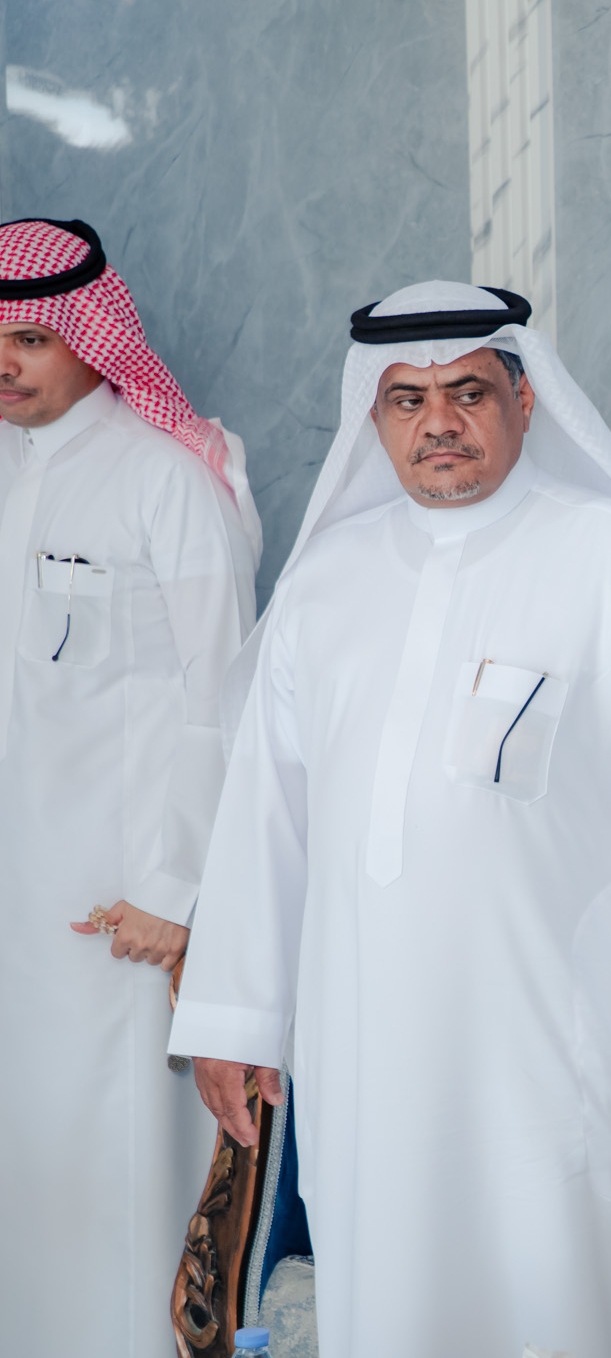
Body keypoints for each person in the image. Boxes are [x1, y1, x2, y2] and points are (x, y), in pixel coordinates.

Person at [169, 281, 611, 1358]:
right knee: (396, 1297)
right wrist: (235, 1017)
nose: (439, 422)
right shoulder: (325, 582)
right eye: (408, 399)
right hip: (369, 1043)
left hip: (564, 1039)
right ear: (374, 416)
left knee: (564, 1294)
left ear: (525, 402)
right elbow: (266, 811)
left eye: (469, 392)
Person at [0, 217, 260, 1357]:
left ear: (92, 339)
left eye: (30, 338)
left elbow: (221, 694)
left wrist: (175, 888)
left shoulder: (168, 480)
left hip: (119, 914)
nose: (6, 363)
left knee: (116, 1181)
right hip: (16, 893)